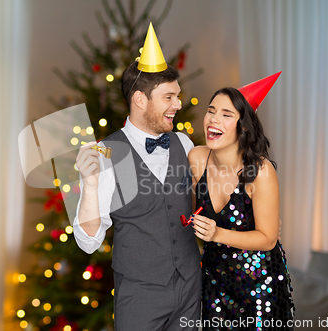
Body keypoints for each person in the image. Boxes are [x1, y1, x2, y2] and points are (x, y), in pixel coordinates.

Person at [73, 23, 201, 331]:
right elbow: (89, 242)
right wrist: (90, 186)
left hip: (190, 289)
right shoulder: (106, 153)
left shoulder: (184, 144)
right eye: (169, 97)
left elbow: (206, 200)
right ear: (140, 100)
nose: (178, 105)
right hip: (140, 296)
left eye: (178, 96)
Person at [188, 73, 295, 330]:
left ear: (243, 126)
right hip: (215, 282)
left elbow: (268, 239)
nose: (214, 118)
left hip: (260, 287)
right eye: (211, 110)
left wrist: (216, 233)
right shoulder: (196, 159)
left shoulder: (261, 171)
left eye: (226, 114)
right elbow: (186, 211)